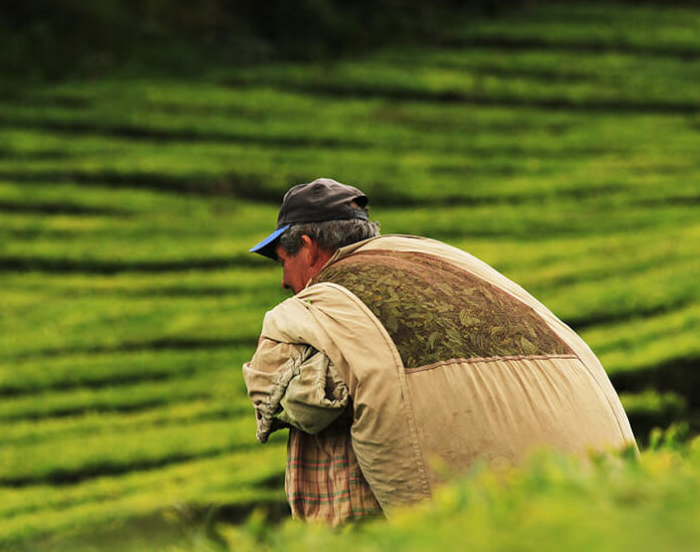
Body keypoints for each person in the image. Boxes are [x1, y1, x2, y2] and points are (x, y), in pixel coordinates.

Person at [242, 178, 636, 525]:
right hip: (585, 486)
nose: (283, 281)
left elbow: (277, 392)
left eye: (284, 261)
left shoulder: (326, 302)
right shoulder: (439, 263)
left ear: (308, 249)